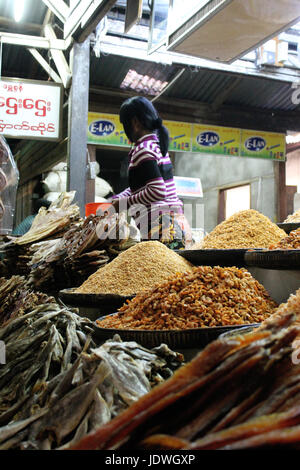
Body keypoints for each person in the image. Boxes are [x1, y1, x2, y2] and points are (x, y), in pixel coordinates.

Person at [111, 96, 189, 246]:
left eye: (125, 125)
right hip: (173, 222)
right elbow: (143, 186)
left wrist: (124, 203)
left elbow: (158, 191)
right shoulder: (156, 146)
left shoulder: (143, 150)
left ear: (134, 123)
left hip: (160, 226)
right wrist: (119, 198)